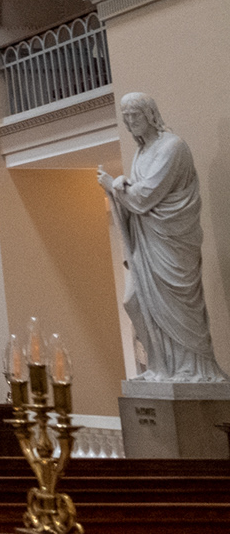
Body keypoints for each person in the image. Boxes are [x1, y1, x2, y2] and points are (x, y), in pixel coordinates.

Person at [99, 93, 227, 381]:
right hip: (147, 240)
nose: (130, 123)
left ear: (150, 115)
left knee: (177, 307)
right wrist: (121, 187)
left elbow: (145, 196)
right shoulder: (142, 153)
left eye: (135, 116)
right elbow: (138, 194)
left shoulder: (172, 147)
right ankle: (159, 365)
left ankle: (191, 368)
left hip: (172, 242)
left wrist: (114, 186)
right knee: (134, 301)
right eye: (126, 117)